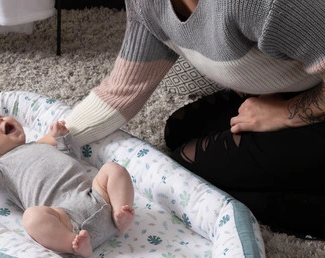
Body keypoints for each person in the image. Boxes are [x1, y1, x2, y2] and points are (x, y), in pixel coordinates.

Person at [64, 0, 325, 240]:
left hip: (311, 96)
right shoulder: (147, 4)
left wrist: (286, 112)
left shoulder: (262, 4)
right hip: (295, 84)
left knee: (189, 175)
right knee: (178, 131)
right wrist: (51, 140)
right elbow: (122, 92)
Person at [0, 113, 135, 257]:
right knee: (32, 217)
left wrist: (62, 138)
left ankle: (121, 213)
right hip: (66, 219)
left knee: (113, 169)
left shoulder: (41, 145)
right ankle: (72, 244)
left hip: (95, 196)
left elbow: (72, 158)